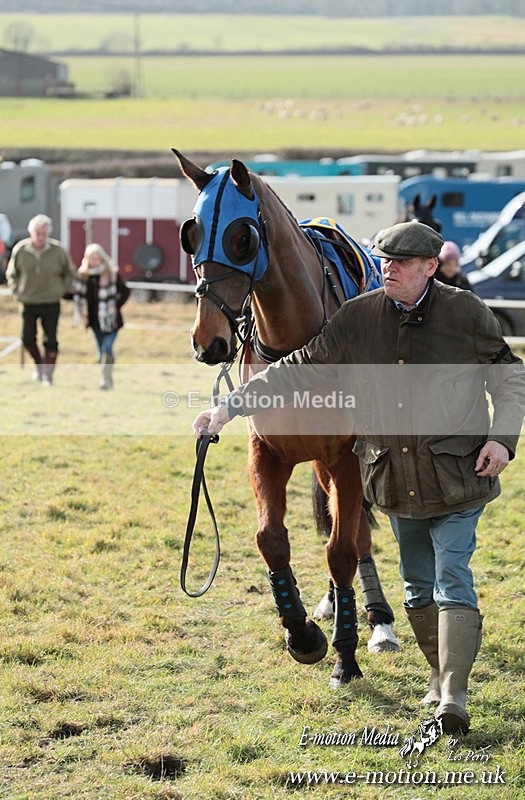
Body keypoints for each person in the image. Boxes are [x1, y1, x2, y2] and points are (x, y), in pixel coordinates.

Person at [192, 220, 525, 735]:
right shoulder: (358, 316)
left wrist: (502, 439)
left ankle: (453, 698)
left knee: (452, 577)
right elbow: (297, 367)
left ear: (430, 267)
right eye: (384, 261)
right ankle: (437, 678)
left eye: (400, 263)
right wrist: (229, 408)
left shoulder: (466, 312)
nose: (387, 270)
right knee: (417, 587)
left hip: (457, 475)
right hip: (396, 482)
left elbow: (510, 376)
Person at [6, 214, 75, 386]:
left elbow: (69, 272)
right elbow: (12, 273)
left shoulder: (58, 250)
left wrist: (63, 289)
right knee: (27, 338)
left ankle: (48, 375)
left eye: (44, 234)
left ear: (48, 234)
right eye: (37, 233)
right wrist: (16, 291)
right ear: (31, 232)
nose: (40, 237)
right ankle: (39, 365)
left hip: (51, 302)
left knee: (50, 339)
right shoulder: (21, 249)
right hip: (28, 301)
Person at [73, 243, 130, 390]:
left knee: (107, 348)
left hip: (111, 320)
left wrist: (115, 307)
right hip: (94, 321)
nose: (94, 261)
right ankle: (106, 378)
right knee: (101, 353)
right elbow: (77, 295)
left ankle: (106, 381)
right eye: (91, 258)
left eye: (96, 258)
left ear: (102, 258)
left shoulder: (112, 274)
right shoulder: (83, 276)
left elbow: (125, 292)